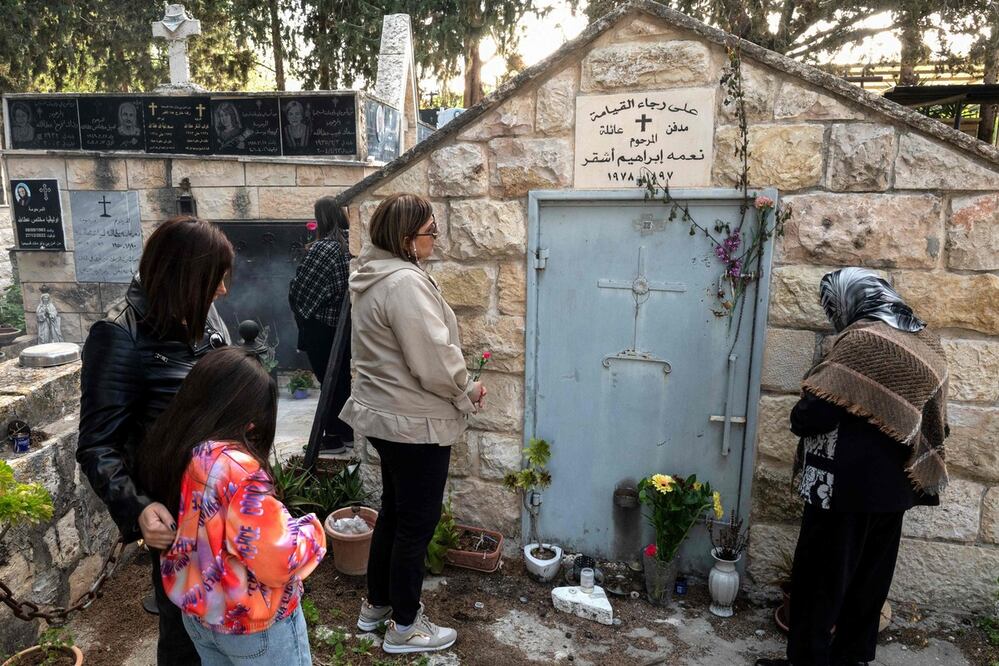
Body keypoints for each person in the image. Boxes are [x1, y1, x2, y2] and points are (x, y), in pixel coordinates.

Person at [756, 267, 949, 666]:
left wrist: (799, 415)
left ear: (851, 299)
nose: (833, 314)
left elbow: (817, 413)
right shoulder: (926, 340)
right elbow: (930, 418)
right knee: (868, 584)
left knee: (819, 582)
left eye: (833, 304)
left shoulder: (862, 341)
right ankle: (852, 659)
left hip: (842, 490)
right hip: (895, 489)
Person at [77, 216, 234, 665]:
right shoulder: (119, 338)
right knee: (186, 638)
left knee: (235, 624)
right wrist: (138, 507)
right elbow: (97, 446)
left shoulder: (205, 315)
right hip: (177, 519)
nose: (222, 290)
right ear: (184, 276)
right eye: (214, 279)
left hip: (225, 505)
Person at [339, 193, 486, 655]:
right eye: (430, 232)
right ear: (406, 240)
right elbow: (434, 360)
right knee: (416, 523)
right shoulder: (403, 283)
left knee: (396, 512)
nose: (436, 239)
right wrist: (466, 390)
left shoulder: (373, 276)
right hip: (414, 422)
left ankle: (377, 605)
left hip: (387, 417)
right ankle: (405, 627)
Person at [139, 347, 326, 665]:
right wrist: (314, 532)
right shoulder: (239, 470)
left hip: (200, 616)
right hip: (252, 627)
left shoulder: (181, 449)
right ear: (250, 420)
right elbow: (277, 558)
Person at [288, 196, 353, 453]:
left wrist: (295, 297)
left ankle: (334, 435)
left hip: (324, 327)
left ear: (321, 218)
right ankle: (348, 432)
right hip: (348, 328)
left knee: (329, 381)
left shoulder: (324, 248)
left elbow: (302, 292)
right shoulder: (353, 243)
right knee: (345, 382)